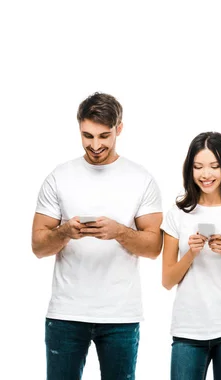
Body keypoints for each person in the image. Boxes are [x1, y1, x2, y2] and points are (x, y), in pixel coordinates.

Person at [31, 92, 163, 380]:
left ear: (119, 129)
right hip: (66, 313)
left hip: (120, 316)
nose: (95, 145)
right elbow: (38, 247)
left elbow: (154, 247)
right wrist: (65, 231)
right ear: (79, 128)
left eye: (104, 136)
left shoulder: (141, 179)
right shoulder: (59, 176)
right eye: (87, 135)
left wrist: (119, 232)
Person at [161, 131, 221, 380]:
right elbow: (167, 280)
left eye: (214, 166)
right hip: (188, 330)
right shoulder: (177, 214)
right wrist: (190, 254)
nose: (206, 174)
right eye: (198, 167)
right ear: (190, 170)